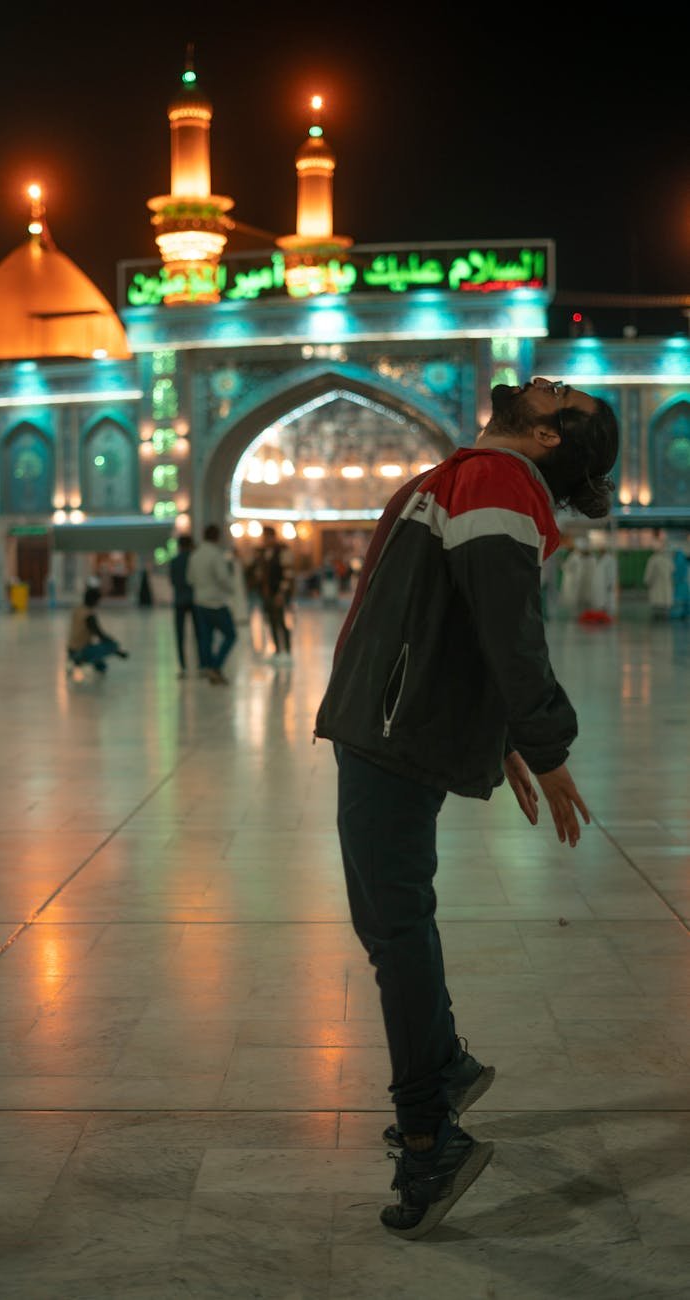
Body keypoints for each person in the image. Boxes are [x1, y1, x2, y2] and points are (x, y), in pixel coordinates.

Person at [313, 376, 619, 1239]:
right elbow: (463, 618)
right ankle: (440, 1069)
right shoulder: (474, 476)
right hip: (390, 716)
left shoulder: (494, 483)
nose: (546, 383)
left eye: (565, 397)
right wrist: (506, 741)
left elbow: (508, 626)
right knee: (390, 920)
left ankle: (427, 1133)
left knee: (394, 924)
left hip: (392, 726)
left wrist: (542, 741)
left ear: (550, 437)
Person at [187, 523, 237, 685]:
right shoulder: (216, 555)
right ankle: (216, 666)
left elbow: (190, 579)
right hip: (216, 602)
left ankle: (207, 666)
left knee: (205, 638)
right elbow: (223, 578)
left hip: (200, 601)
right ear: (217, 537)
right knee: (230, 635)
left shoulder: (195, 555)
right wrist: (232, 589)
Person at [66, 585, 129, 678]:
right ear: (94, 600)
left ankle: (98, 665)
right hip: (81, 651)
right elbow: (100, 635)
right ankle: (78, 661)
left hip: (71, 649)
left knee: (96, 650)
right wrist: (116, 649)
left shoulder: (78, 609)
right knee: (110, 645)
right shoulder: (89, 615)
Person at [252, 524, 295, 662]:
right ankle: (277, 650)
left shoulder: (283, 551)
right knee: (271, 621)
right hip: (266, 592)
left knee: (281, 622)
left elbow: (288, 574)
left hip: (278, 592)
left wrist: (281, 593)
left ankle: (287, 651)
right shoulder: (262, 552)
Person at [168, 535, 203, 678]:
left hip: (179, 600)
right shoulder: (194, 560)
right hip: (194, 599)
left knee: (180, 634)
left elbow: (172, 581)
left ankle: (183, 666)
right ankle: (201, 665)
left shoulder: (175, 561)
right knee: (199, 634)